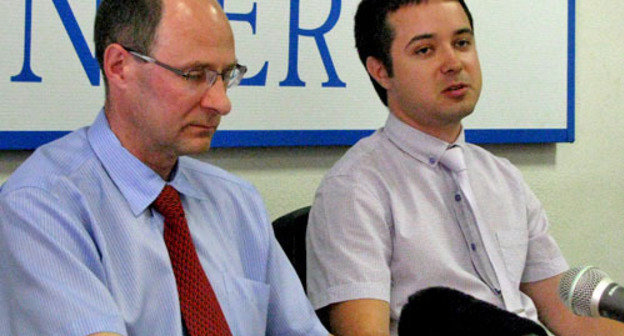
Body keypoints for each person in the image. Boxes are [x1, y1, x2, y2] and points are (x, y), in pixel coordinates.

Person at [0, 0, 328, 335]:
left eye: (226, 76)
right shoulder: (40, 206)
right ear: (118, 66)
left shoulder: (236, 201)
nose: (222, 103)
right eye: (194, 75)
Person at [305, 0, 624, 335]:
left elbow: (568, 312)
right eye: (426, 50)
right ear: (381, 70)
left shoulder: (502, 176)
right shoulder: (354, 188)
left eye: (462, 43)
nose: (453, 63)